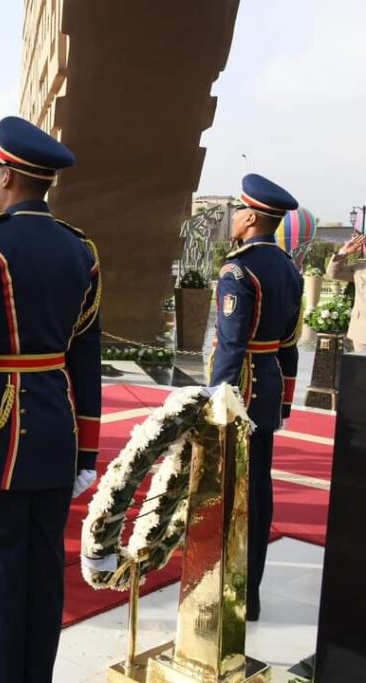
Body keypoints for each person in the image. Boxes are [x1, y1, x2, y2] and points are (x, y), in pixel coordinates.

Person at [0, 116, 102, 682]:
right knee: (43, 580)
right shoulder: (80, 250)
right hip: (57, 437)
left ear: (7, 177)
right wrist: (87, 452)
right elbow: (86, 357)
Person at [210, 174, 302, 622]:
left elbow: (229, 345)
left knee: (227, 491)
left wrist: (214, 402)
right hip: (267, 387)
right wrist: (283, 401)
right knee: (259, 489)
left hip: (239, 390)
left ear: (250, 216)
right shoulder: (289, 269)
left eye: (236, 211)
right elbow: (289, 343)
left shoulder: (238, 270)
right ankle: (252, 592)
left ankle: (226, 587)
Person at [326, 232, 366, 351]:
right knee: (361, 369)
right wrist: (344, 252)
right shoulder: (360, 269)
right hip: (362, 333)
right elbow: (333, 273)